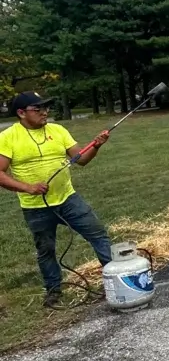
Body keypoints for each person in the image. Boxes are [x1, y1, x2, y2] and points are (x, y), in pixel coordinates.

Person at [0, 92, 112, 307]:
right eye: (38, 109)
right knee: (46, 250)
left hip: (68, 199)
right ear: (21, 113)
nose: (44, 112)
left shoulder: (58, 130)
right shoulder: (7, 137)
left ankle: (115, 277)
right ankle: (53, 291)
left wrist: (97, 145)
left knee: (98, 234)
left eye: (46, 108)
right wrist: (28, 188)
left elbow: (81, 160)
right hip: (36, 207)